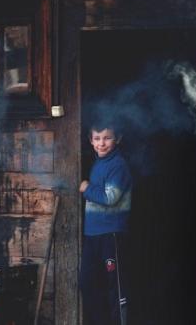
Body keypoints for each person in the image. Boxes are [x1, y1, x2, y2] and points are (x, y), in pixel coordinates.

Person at [79, 122, 132, 325]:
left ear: (117, 139)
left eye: (107, 138)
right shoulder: (98, 163)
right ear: (91, 141)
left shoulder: (118, 165)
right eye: (97, 138)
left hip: (112, 233)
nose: (102, 143)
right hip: (93, 234)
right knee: (88, 283)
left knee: (115, 287)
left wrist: (86, 188)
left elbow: (111, 198)